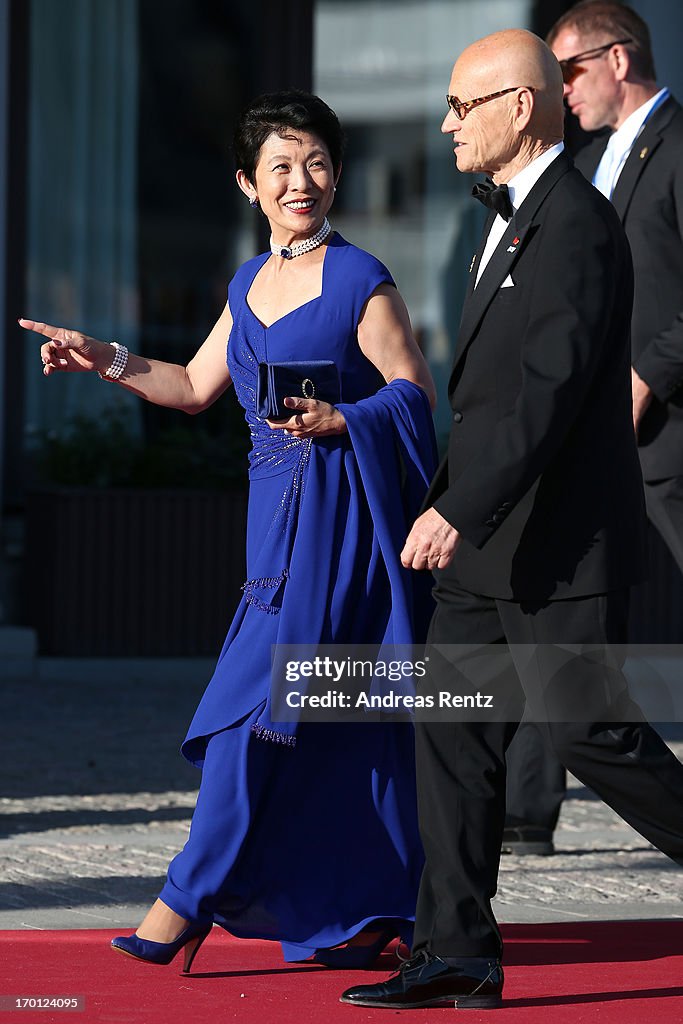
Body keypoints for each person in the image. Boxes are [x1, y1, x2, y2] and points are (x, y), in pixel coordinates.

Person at [21, 90, 438, 973]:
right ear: (248, 184)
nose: (303, 181)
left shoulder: (364, 280)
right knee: (324, 725)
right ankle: (361, 913)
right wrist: (106, 359)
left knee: (255, 722)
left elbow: (413, 397)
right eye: (281, 167)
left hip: (341, 537)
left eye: (317, 162)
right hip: (270, 534)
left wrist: (344, 421)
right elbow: (192, 386)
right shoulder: (247, 283)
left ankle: (180, 901)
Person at [340, 29, 683, 1010]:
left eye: (461, 104)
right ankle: (455, 946)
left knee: (586, 734)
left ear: (518, 106)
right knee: (451, 732)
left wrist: (455, 501)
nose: (446, 123)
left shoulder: (573, 222)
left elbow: (544, 388)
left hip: (554, 542)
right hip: (494, 545)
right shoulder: (511, 217)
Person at [505, 0, 683, 858]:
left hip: (664, 437)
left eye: (567, 69)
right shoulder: (578, 166)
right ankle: (524, 808)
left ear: (617, 60)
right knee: (557, 616)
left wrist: (649, 373)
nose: (558, 89)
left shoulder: (679, 147)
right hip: (585, 439)